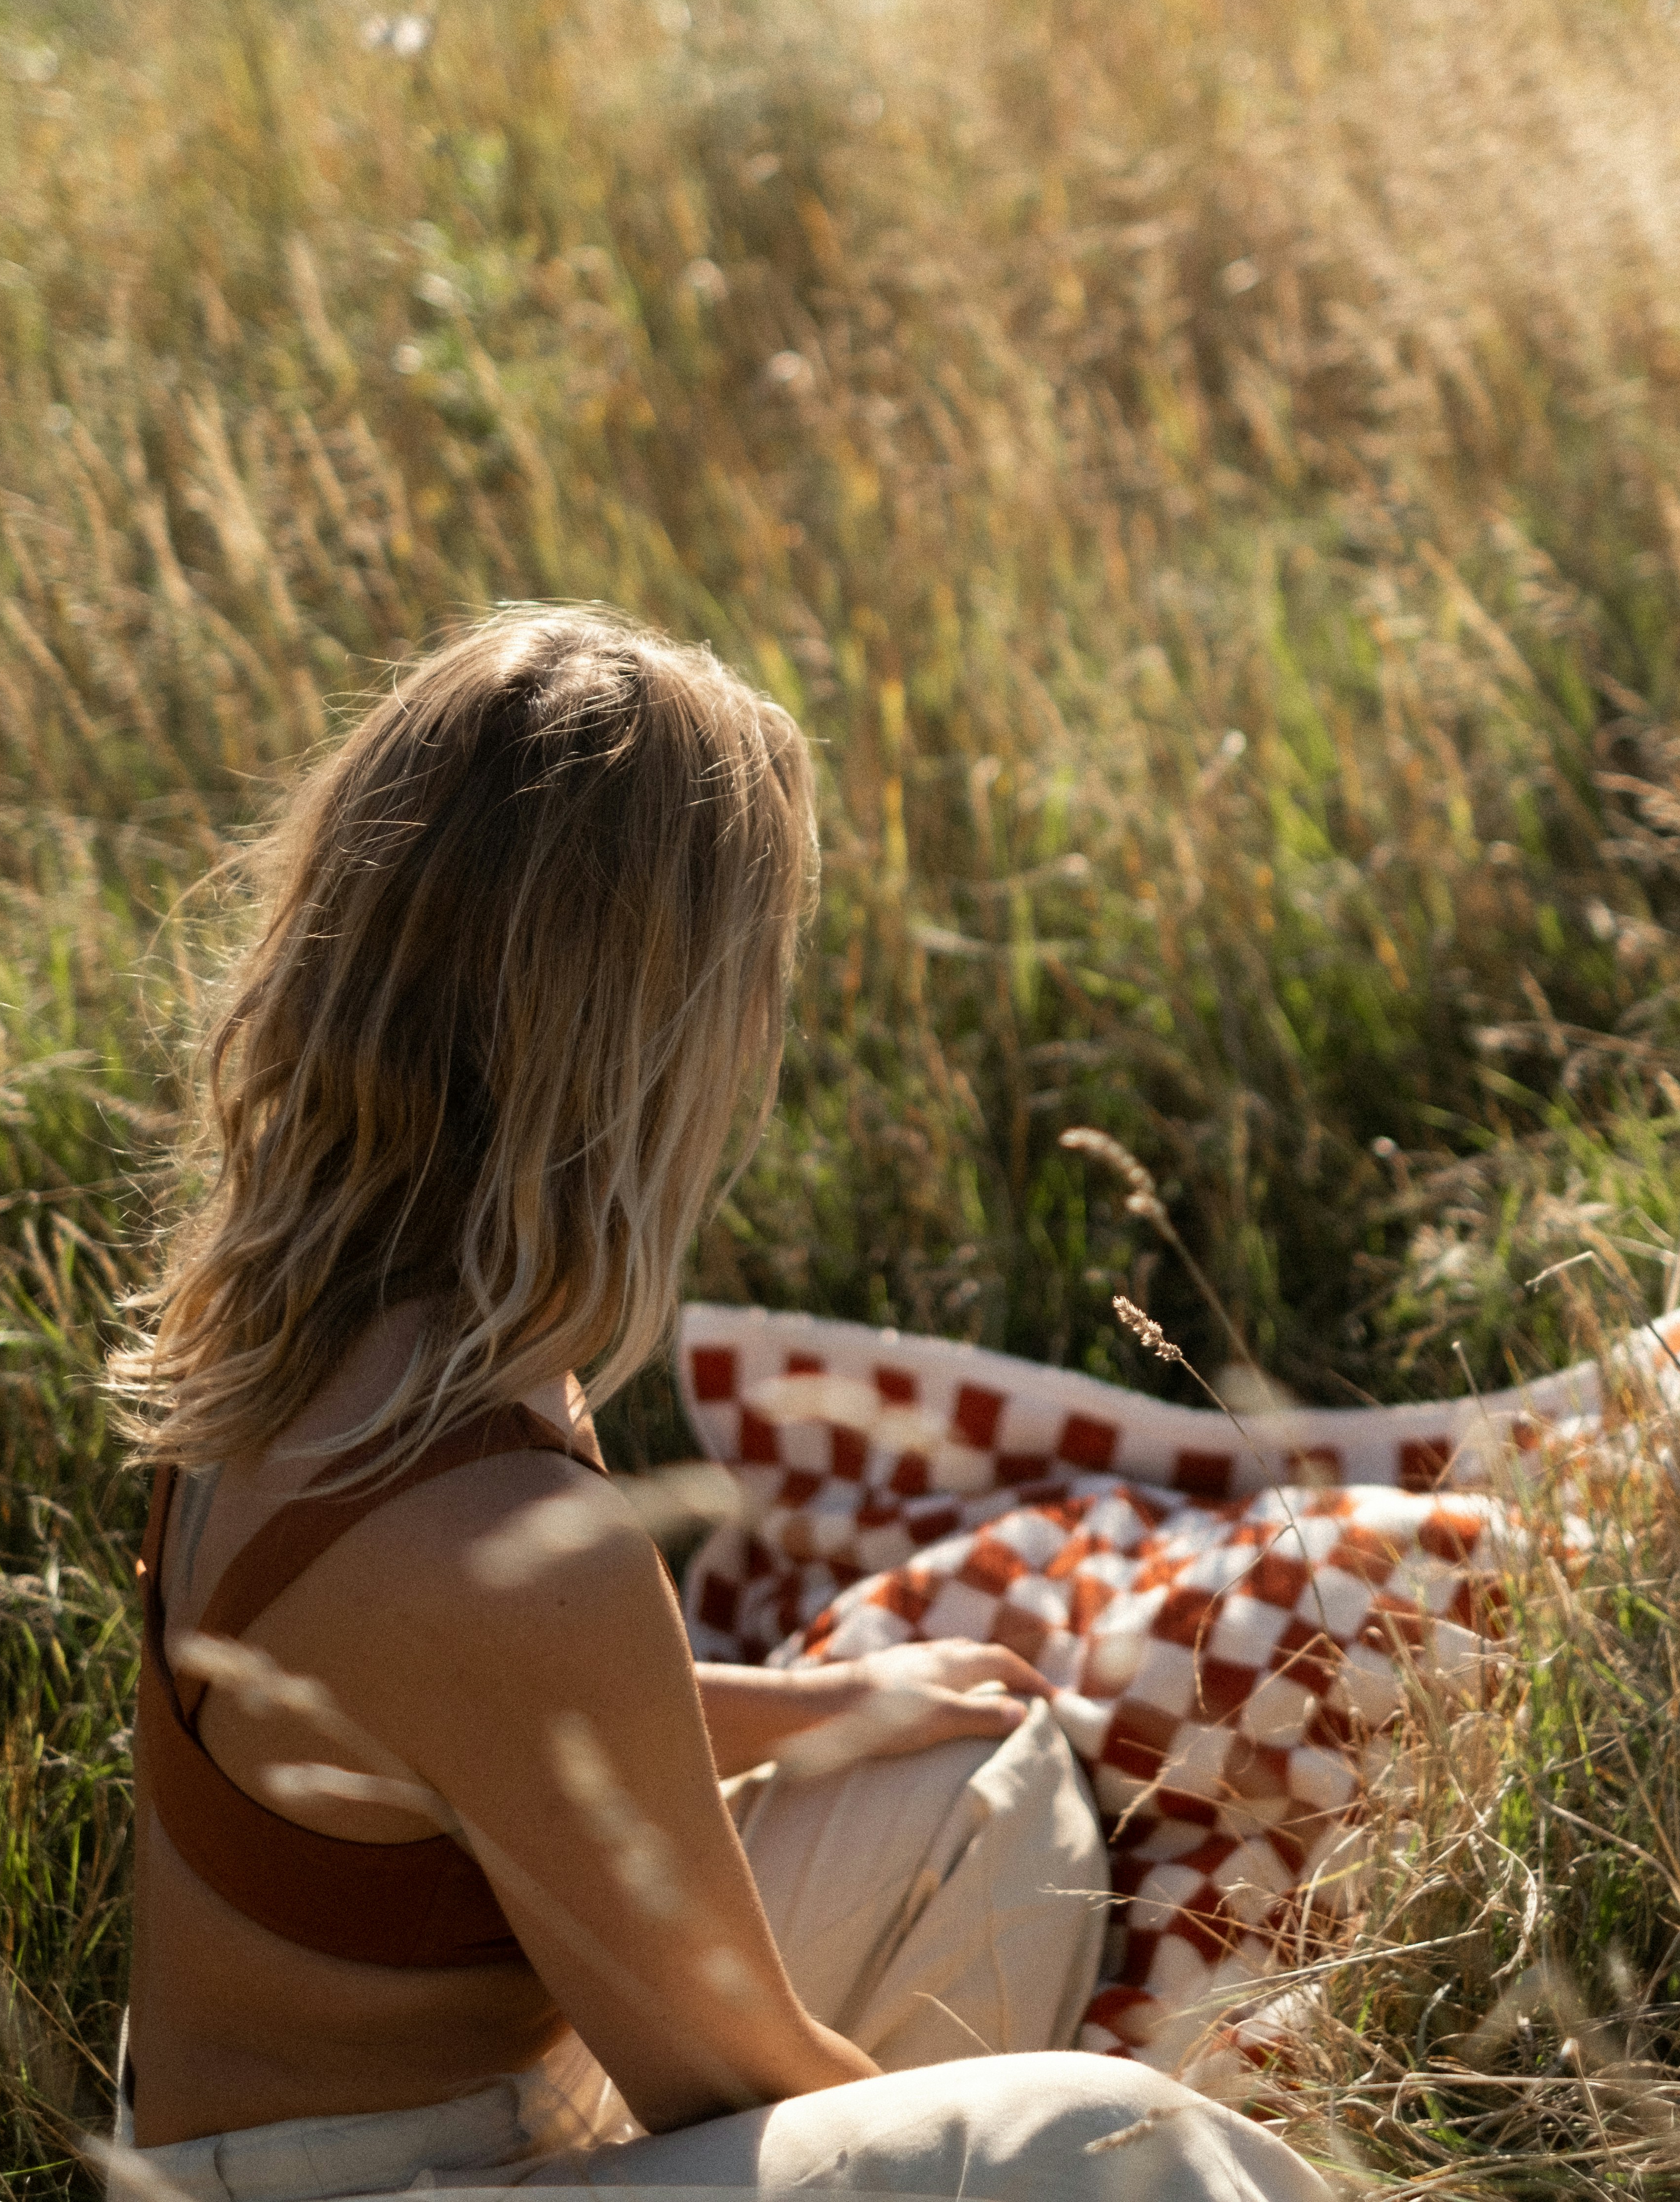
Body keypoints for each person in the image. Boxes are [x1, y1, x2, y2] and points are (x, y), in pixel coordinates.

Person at [106, 608, 1333, 2202]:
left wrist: (842, 1704)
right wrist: (950, 2139)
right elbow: (724, 2077)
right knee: (1113, 2142)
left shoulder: (332, 1331)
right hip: (385, 2185)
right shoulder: (490, 1526)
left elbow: (487, 1737)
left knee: (972, 1783)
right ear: (658, 1037)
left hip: (412, 2122)